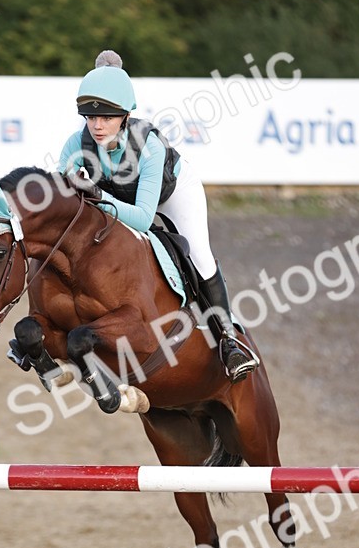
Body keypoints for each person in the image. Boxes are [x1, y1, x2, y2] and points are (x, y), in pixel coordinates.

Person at [58, 50, 258, 382]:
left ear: (124, 115)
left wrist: (96, 195)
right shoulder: (75, 144)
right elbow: (60, 201)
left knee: (199, 256)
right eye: (90, 117)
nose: (97, 125)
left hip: (171, 195)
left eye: (106, 117)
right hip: (120, 198)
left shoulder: (148, 146)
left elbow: (141, 218)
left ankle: (228, 340)